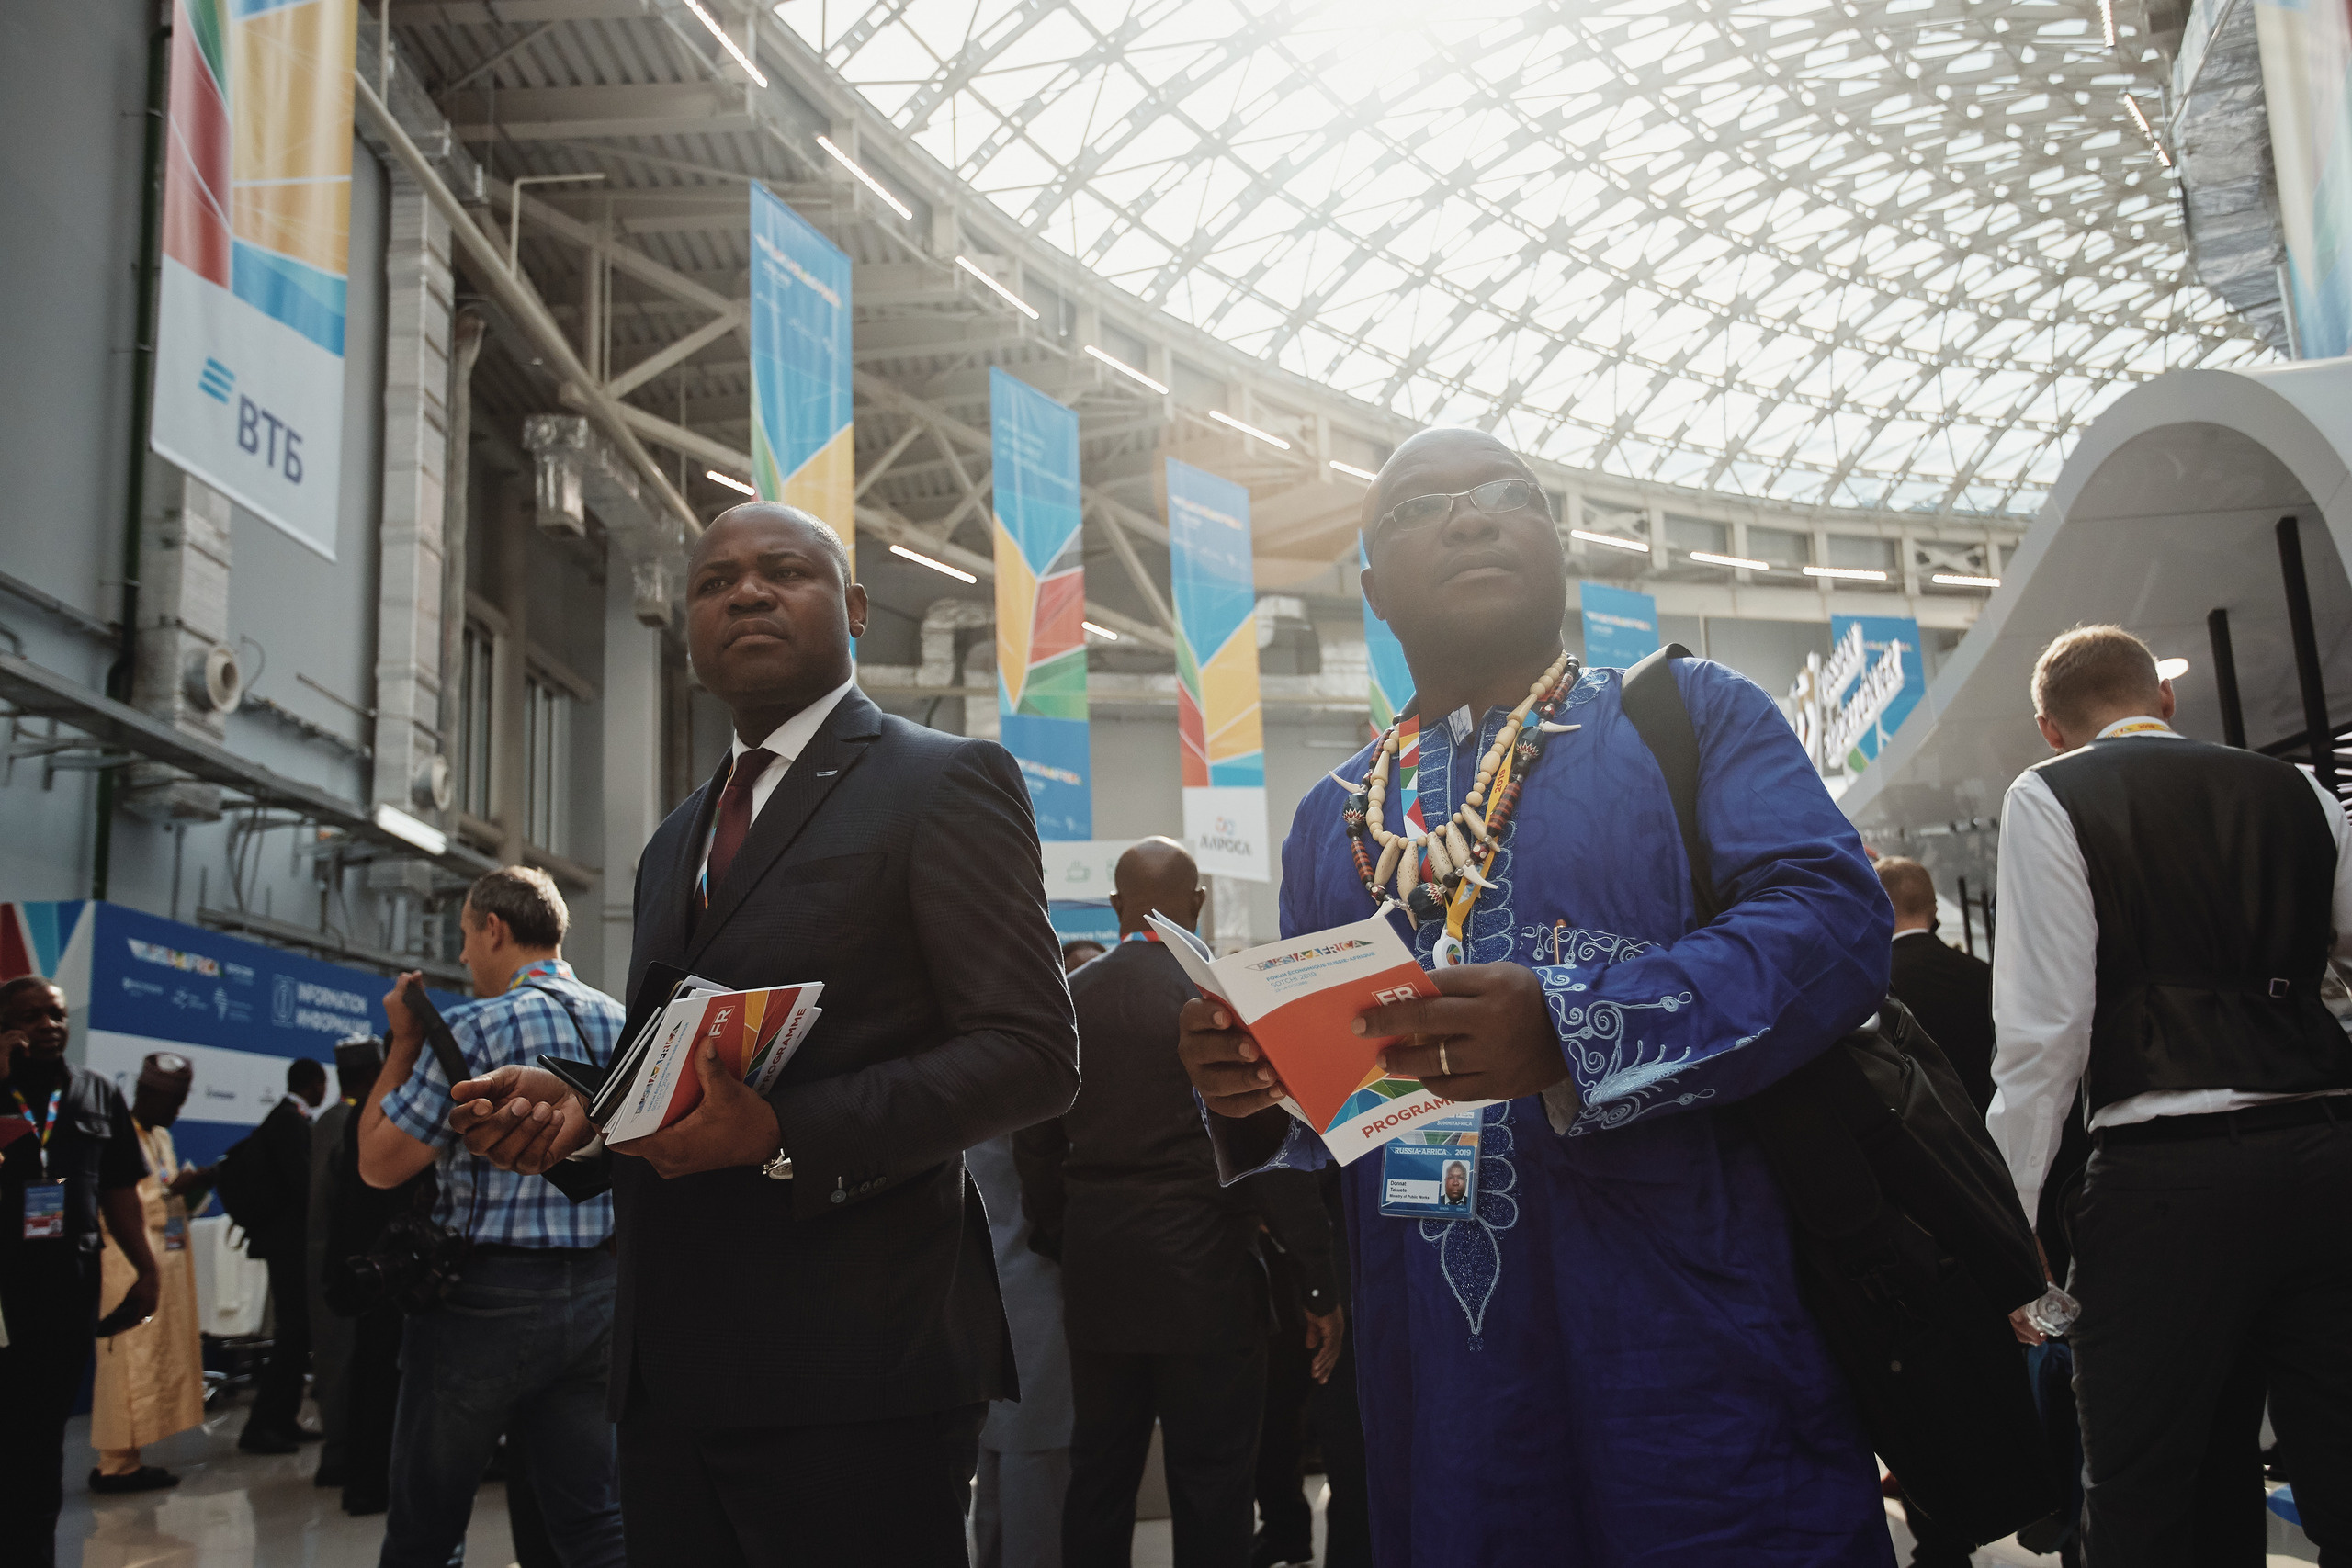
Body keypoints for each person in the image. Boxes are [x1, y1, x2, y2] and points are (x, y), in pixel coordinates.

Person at [1179, 426, 1900, 1563]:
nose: (1471, 517)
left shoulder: (1690, 716)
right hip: (1439, 1378)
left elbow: (1834, 922)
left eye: (1505, 494)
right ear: (1371, 587)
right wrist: (1252, 1093)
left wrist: (1572, 1027)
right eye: (1423, 507)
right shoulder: (1336, 817)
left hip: (1692, 1335)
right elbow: (1354, 1107)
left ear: (1555, 546)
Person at [444, 502, 1081, 1568]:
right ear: (689, 626)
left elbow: (1030, 1053)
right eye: (712, 582)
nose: (744, 591)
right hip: (669, 1374)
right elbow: (677, 1068)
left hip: (858, 1372)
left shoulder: (943, 781)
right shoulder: (670, 841)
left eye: (784, 571)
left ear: (858, 609)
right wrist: (583, 1113)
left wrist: (781, 1132)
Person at [1987, 624, 2352, 1566]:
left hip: (2163, 1187)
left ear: (2049, 729)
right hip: (2326, 1159)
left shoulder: (2048, 793)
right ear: (2165, 701)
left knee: (2150, 1492)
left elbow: (2045, 1035)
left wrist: (2010, 1214)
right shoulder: (2300, 790)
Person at [1020, 837, 1344, 1568]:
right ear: (1197, 904)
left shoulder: (1067, 999)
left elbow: (1034, 1146)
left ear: (1114, 906)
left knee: (1098, 1476)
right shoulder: (1223, 1004)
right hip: (1209, 1280)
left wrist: (1066, 1238)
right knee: (1213, 1485)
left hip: (1101, 1277)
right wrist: (1318, 1279)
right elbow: (1271, 1157)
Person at [356, 865, 628, 1568]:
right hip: (601, 1296)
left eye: (465, 938)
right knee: (595, 1523)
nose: (464, 957)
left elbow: (380, 1161)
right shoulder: (625, 1023)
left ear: (494, 928)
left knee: (428, 1525)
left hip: (481, 1303)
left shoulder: (478, 1026)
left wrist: (407, 1044)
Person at [0, 976, 159, 1566]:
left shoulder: (95, 1094)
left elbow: (119, 1189)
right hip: (2, 1293)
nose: (47, 1026)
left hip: (65, 1290)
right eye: (30, 1017)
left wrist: (146, 1269)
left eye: (56, 1014)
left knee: (43, 1440)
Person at [88, 1052, 209, 1493]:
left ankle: (131, 1459)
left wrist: (187, 1193)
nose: (176, 1113)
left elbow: (165, 1196)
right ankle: (113, 1465)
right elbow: (115, 1207)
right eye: (171, 1104)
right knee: (126, 1368)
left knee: (153, 1362)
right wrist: (170, 1193)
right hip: (126, 1267)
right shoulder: (115, 1135)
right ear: (145, 1094)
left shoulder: (159, 1137)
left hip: (163, 1263)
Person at [967, 1130, 1074, 1568]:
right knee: (1036, 1454)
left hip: (980, 1279)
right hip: (1035, 1278)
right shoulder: (1021, 1083)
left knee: (996, 1448)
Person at [240, 1055, 326, 1453]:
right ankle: (262, 1425)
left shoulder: (288, 1118)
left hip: (288, 1243)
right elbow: (302, 1184)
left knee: (299, 1332)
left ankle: (283, 1418)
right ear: (313, 1083)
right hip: (289, 1245)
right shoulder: (289, 1121)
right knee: (292, 1333)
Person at [307, 1036, 381, 1492]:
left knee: (337, 1357)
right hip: (347, 1261)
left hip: (326, 1257)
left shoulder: (327, 1121)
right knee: (344, 1357)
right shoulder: (354, 1121)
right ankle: (342, 1454)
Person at [1877, 856, 1997, 1115]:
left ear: (1876, 908)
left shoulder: (1877, 989)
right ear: (1934, 909)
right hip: (1988, 1127)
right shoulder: (1985, 975)